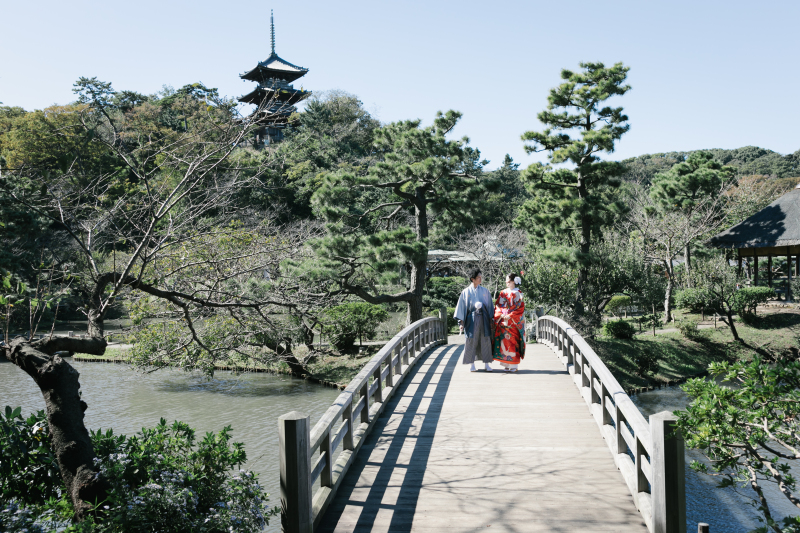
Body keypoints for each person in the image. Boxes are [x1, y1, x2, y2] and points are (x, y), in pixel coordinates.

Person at [453, 269, 494, 372]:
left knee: (485, 340)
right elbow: (461, 308)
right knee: (471, 340)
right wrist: (461, 323)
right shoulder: (465, 292)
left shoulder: (485, 291)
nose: (480, 279)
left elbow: (490, 307)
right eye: (478, 277)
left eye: (481, 277)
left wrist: (491, 320)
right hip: (471, 319)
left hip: (484, 318)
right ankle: (471, 364)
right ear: (472, 279)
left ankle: (487, 363)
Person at [493, 273, 526, 372]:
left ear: (513, 281)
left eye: (508, 281)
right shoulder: (503, 292)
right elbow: (498, 305)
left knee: (513, 342)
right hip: (503, 321)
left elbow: (520, 308)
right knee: (504, 341)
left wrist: (510, 315)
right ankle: (506, 364)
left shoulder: (518, 293)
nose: (506, 283)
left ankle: (514, 365)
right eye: (506, 281)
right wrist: (501, 314)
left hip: (513, 322)